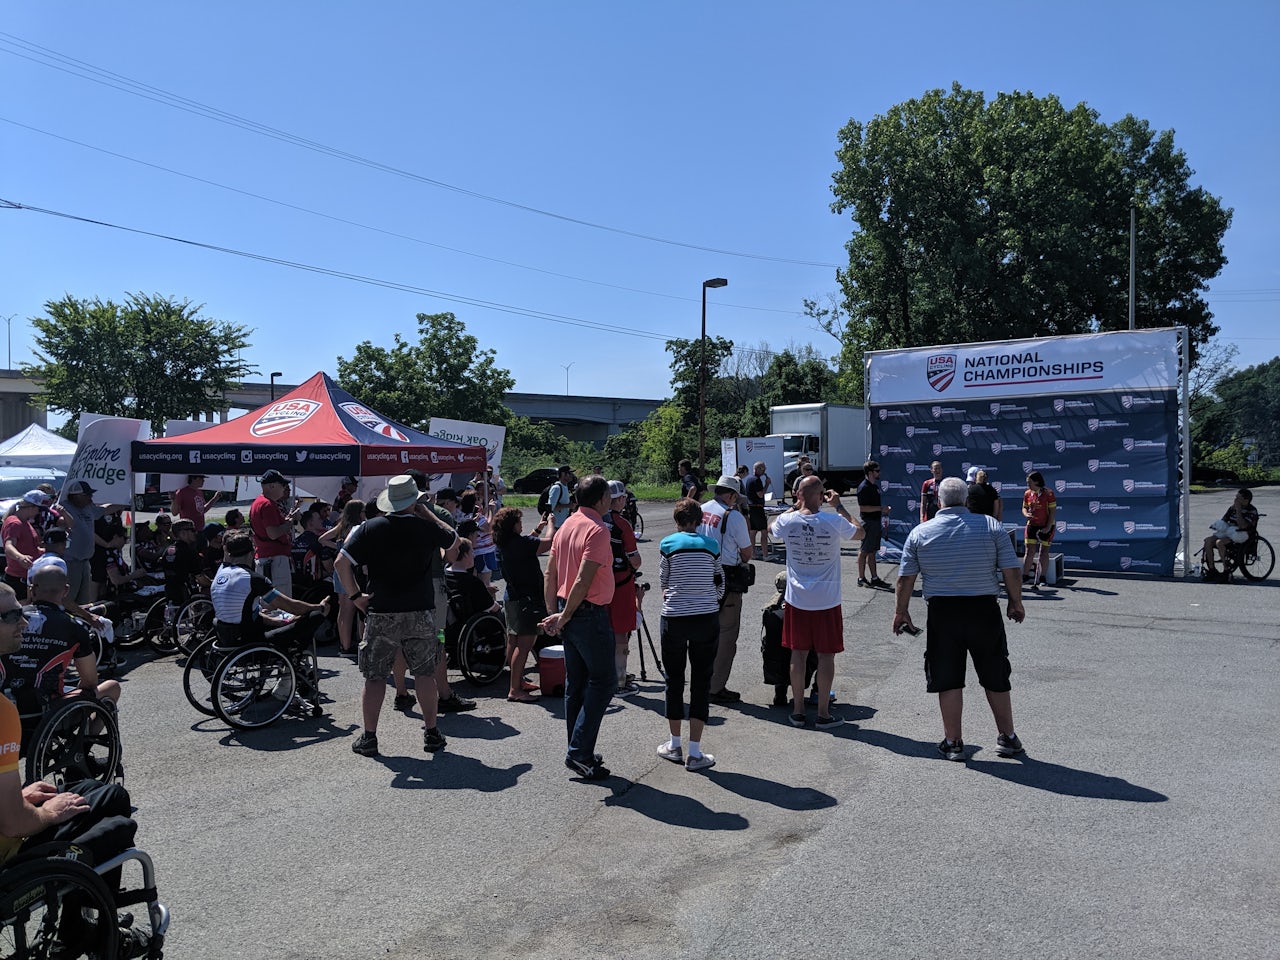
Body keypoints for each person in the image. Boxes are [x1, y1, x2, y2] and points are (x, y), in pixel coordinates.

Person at [0, 582, 153, 957]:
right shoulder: (1, 713)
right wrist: (44, 812)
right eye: (10, 616)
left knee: (107, 794)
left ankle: (80, 926)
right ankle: (83, 933)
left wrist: (19, 798)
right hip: (5, 858)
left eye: (20, 609)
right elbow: (14, 825)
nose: (23, 621)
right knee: (117, 825)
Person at [893, 476, 1026, 761]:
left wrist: (900, 611)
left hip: (943, 614)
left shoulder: (920, 532)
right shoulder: (992, 526)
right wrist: (1016, 602)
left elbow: (905, 579)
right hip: (983, 611)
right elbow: (1011, 570)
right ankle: (1008, 737)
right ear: (966, 500)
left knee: (948, 678)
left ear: (938, 501)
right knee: (995, 673)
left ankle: (953, 742)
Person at [336, 475, 459, 758]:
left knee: (375, 677)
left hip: (381, 611)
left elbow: (342, 562)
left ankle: (370, 737)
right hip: (420, 610)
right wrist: (426, 512)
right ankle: (431, 732)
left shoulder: (369, 527)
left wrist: (356, 597)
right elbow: (452, 542)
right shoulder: (427, 528)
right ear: (414, 500)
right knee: (425, 674)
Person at [769, 475, 862, 729]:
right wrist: (840, 506)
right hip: (827, 599)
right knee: (826, 656)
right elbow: (860, 532)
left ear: (798, 495)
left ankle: (798, 710)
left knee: (797, 654)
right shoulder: (833, 520)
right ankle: (823, 713)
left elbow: (771, 528)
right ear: (822, 496)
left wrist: (795, 506)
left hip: (797, 598)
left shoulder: (788, 520)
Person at [539, 475, 616, 780]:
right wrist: (564, 616)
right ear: (599, 500)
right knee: (604, 681)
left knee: (577, 683)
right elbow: (584, 580)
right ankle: (579, 752)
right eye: (608, 497)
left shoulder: (567, 525)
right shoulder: (597, 530)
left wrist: (554, 614)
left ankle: (578, 747)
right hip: (586, 613)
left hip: (567, 611)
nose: (610, 501)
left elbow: (550, 573)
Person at [656, 498, 724, 771]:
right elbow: (719, 581)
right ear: (699, 521)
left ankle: (674, 744)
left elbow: (663, 580)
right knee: (701, 680)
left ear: (676, 521)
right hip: (705, 617)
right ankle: (695, 751)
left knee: (674, 679)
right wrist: (710, 599)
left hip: (674, 616)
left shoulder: (667, 544)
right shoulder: (711, 546)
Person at [11, 565, 122, 715]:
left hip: (7, 707)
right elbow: (89, 681)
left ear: (32, 589)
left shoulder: (9, 619)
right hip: (49, 711)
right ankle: (91, 735)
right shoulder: (75, 626)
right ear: (66, 590)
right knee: (112, 687)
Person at [697, 476, 754, 704]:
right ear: (731, 495)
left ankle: (701, 681)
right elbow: (747, 552)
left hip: (699, 575)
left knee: (702, 633)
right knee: (726, 634)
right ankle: (716, 686)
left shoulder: (700, 510)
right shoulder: (734, 516)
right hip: (725, 577)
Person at [492, 506, 552, 703]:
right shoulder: (520, 543)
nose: (521, 524)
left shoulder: (504, 542)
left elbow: (528, 542)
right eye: (519, 521)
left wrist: (538, 528)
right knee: (525, 644)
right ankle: (515, 689)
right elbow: (549, 543)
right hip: (527, 599)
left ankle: (516, 681)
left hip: (512, 597)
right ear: (512, 526)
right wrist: (551, 524)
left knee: (514, 641)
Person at [58, 480, 129, 604]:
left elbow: (105, 509)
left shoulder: (88, 507)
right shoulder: (63, 507)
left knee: (84, 599)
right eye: (87, 495)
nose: (91, 498)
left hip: (85, 561)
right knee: (70, 597)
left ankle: (82, 620)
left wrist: (124, 502)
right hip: (71, 561)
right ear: (76, 496)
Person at [603, 480, 642, 698]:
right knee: (620, 635)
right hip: (621, 584)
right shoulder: (622, 524)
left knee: (603, 632)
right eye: (624, 498)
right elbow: (634, 560)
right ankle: (619, 681)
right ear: (618, 499)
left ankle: (605, 677)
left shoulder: (592, 519)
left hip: (597, 583)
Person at [320, 499, 366, 656]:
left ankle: (343, 644)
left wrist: (338, 547)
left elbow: (322, 539)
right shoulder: (357, 528)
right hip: (351, 570)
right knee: (352, 610)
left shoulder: (341, 526)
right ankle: (348, 646)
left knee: (343, 610)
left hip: (338, 571)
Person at [1202, 487, 1260, 582]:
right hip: (1228, 530)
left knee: (1219, 542)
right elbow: (1224, 520)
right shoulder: (1232, 508)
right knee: (1208, 541)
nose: (1235, 500)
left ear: (1246, 500)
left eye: (1238, 498)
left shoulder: (1251, 510)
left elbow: (1242, 525)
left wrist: (1238, 510)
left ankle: (1226, 570)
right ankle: (1212, 570)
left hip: (1240, 534)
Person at [2, 491, 46, 599]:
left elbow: (30, 547)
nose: (38, 513)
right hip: (18, 578)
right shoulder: (15, 523)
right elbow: (9, 546)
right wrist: (20, 557)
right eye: (38, 509)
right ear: (31, 507)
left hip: (27, 576)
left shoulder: (25, 523)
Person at [855, 460, 890, 588]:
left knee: (872, 551)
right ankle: (861, 577)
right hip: (868, 522)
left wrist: (882, 510)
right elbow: (863, 508)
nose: (879, 473)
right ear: (870, 472)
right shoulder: (864, 487)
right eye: (877, 471)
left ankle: (874, 577)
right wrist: (881, 509)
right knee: (864, 550)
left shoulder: (874, 486)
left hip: (875, 521)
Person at [1021, 470, 1056, 587]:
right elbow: (1024, 508)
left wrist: (1048, 527)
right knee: (1029, 550)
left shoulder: (1048, 494)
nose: (1028, 485)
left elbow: (1052, 513)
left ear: (1036, 482)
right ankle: (1025, 576)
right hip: (1032, 524)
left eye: (1029, 482)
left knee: (1044, 552)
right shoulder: (1027, 494)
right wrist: (1026, 514)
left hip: (1046, 525)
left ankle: (1042, 577)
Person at [459, 489, 498, 587]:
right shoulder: (477, 517)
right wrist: (491, 510)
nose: (480, 501)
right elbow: (488, 528)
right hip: (483, 552)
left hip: (475, 552)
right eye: (478, 499)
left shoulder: (463, 516)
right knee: (485, 583)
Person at [744, 460, 773, 560]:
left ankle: (753, 554)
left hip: (752, 508)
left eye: (764, 468)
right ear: (756, 469)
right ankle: (765, 555)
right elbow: (760, 494)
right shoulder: (756, 480)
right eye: (762, 468)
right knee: (764, 532)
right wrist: (767, 484)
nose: (764, 470)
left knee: (753, 531)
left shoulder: (749, 479)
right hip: (757, 508)